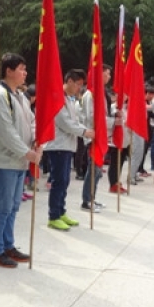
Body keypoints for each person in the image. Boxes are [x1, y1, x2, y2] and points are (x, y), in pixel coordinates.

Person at [0, 53, 40, 268]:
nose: (25, 73)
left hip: (19, 160)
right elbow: (5, 132)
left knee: (13, 206)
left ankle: (8, 245)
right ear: (8, 71)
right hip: (3, 161)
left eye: (25, 69)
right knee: (3, 207)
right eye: (21, 69)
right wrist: (27, 152)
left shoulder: (20, 96)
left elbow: (32, 121)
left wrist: (35, 140)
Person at [43, 69, 88, 231]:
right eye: (78, 84)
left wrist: (84, 129)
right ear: (69, 81)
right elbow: (65, 122)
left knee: (65, 181)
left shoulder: (69, 99)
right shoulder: (58, 98)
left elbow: (74, 121)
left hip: (67, 146)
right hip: (58, 145)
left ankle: (61, 211)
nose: (79, 88)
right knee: (58, 181)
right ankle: (53, 216)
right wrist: (84, 132)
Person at [81, 65, 113, 213]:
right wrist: (111, 122)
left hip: (101, 136)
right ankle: (86, 200)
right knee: (93, 169)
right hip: (93, 136)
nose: (109, 77)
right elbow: (92, 117)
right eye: (106, 74)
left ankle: (92, 198)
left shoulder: (101, 93)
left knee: (98, 171)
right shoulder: (90, 94)